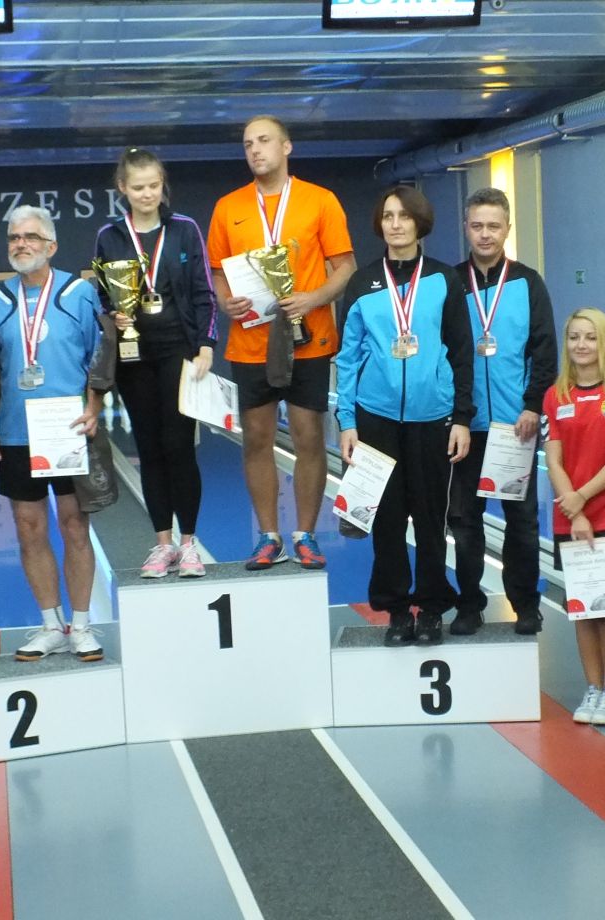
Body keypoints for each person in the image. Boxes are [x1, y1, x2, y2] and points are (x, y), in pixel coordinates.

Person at [209, 115, 357, 570]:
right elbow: (217, 272)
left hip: (308, 339)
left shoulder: (320, 200)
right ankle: (268, 536)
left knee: (309, 436)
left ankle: (305, 534)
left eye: (264, 140)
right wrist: (226, 302)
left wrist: (313, 298)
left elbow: (346, 267)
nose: (255, 150)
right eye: (247, 144)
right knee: (256, 438)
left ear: (286, 146)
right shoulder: (228, 207)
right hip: (251, 341)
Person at [335, 185, 473, 647]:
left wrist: (460, 417)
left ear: (419, 223)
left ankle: (431, 608)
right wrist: (347, 420)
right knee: (387, 518)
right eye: (388, 216)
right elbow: (348, 357)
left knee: (431, 519)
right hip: (375, 418)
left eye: (404, 216)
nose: (395, 224)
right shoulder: (362, 283)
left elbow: (461, 352)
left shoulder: (443, 279)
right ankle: (396, 609)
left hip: (432, 417)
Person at [0, 206, 109, 662]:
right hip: (17, 433)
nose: (21, 244)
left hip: (67, 429)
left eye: (31, 237)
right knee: (29, 528)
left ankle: (82, 626)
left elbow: (100, 358)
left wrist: (94, 409)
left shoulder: (79, 293)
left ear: (51, 246)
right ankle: (51, 625)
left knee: (75, 524)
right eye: (14, 237)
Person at [93, 147, 218, 579]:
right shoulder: (109, 235)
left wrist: (205, 344)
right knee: (148, 448)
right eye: (138, 187)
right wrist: (114, 313)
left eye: (153, 186)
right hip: (134, 355)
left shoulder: (184, 229)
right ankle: (163, 543)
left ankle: (189, 544)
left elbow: (203, 290)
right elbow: (104, 293)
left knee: (179, 445)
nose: (147, 194)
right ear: (122, 188)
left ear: (163, 185)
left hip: (177, 351)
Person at [446, 187, 557, 637]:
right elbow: (443, 354)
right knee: (464, 522)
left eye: (494, 226)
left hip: (515, 427)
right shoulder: (451, 283)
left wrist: (533, 405)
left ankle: (525, 605)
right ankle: (468, 606)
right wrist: (455, 414)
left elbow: (545, 351)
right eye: (477, 226)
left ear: (508, 228)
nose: (485, 234)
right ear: (466, 228)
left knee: (522, 523)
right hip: (465, 427)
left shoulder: (528, 283)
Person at [544, 308, 605, 727]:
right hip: (571, 515)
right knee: (583, 607)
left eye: (590, 337)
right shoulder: (556, 395)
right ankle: (593, 687)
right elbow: (553, 459)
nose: (581, 345)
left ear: (604, 342)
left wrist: (582, 498)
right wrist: (573, 507)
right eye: (574, 337)